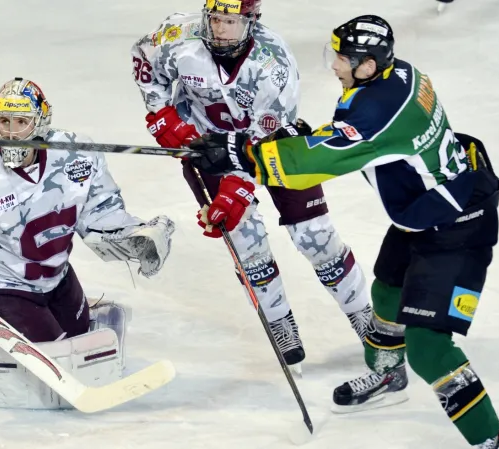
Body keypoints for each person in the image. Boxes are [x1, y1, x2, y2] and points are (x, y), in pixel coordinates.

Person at [188, 14, 499, 449]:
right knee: (386, 294)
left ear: (368, 64)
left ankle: (493, 440)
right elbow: (341, 139)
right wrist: (295, 136)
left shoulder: (378, 108)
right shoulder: (393, 77)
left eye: (343, 59)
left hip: (457, 227)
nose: (335, 66)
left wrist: (241, 154)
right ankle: (387, 372)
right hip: (423, 212)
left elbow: (319, 161)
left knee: (428, 348)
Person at [0, 77, 176, 410]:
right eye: (4, 122)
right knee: (52, 368)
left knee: (79, 342)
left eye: (21, 122)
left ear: (40, 123)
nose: (10, 132)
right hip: (4, 287)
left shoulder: (76, 156)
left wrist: (134, 236)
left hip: (57, 279)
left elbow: (100, 213)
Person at [131, 0, 372, 369]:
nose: (219, 29)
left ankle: (363, 316)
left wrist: (234, 192)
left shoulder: (273, 64)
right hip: (206, 148)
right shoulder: (179, 36)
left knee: (316, 237)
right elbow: (145, 61)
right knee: (248, 245)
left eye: (230, 21)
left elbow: (260, 148)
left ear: (252, 22)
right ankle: (279, 321)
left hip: (271, 148)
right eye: (214, 19)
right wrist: (163, 115)